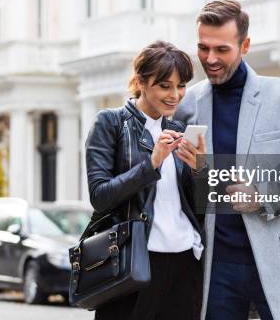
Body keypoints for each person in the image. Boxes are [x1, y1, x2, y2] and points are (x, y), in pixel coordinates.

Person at [175, 0, 280, 320]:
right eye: (203, 47)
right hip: (215, 268)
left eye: (222, 49)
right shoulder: (189, 104)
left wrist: (263, 195)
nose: (210, 59)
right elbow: (187, 193)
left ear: (245, 45)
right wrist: (197, 172)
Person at [85, 40, 206, 320]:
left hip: (185, 261)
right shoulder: (111, 124)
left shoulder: (179, 130)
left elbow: (196, 204)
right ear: (141, 81)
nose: (175, 95)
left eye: (181, 86)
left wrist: (201, 169)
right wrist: (152, 162)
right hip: (133, 262)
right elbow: (100, 196)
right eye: (165, 86)